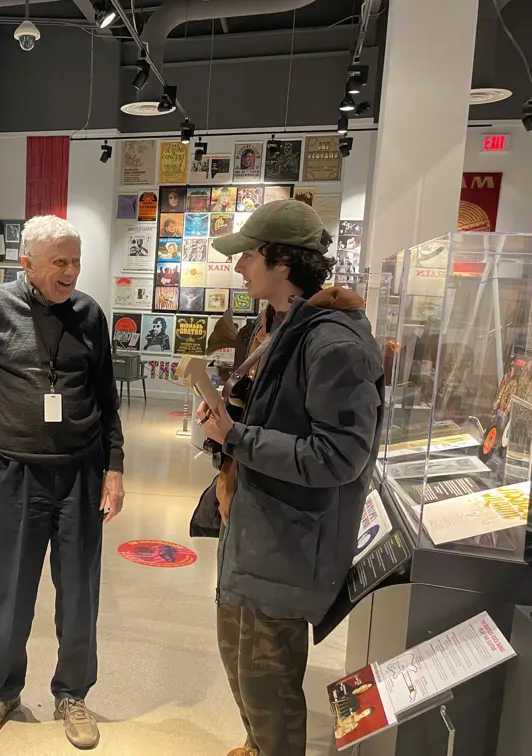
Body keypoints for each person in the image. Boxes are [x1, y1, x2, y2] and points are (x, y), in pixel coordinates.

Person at [196, 199, 384, 756]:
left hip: (287, 543)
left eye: (249, 256)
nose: (239, 267)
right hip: (256, 530)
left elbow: (340, 456)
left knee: (268, 682)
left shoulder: (334, 343)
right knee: (242, 664)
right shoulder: (285, 327)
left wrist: (237, 436)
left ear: (282, 261)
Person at [0, 214, 125, 749]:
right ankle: (1, 692)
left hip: (80, 473)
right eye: (60, 261)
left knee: (79, 593)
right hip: (15, 474)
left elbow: (107, 400)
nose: (71, 271)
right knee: (11, 590)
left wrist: (114, 468)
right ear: (26, 262)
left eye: (76, 260)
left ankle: (72, 693)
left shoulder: (90, 315)